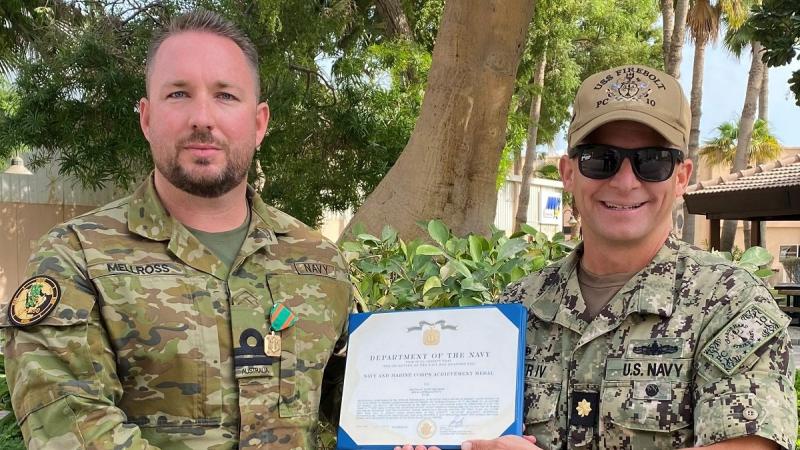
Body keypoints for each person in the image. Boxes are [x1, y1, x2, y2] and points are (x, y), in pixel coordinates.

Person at [1, 10, 352, 450]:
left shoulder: (319, 261)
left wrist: (424, 427)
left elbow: (360, 403)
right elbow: (70, 424)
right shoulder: (76, 255)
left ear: (259, 122)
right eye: (179, 94)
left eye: (226, 95)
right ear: (147, 119)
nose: (202, 117)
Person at [398, 65, 797, 450]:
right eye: (599, 159)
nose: (625, 182)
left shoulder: (730, 303)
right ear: (568, 173)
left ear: (680, 177)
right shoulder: (516, 308)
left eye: (652, 161)